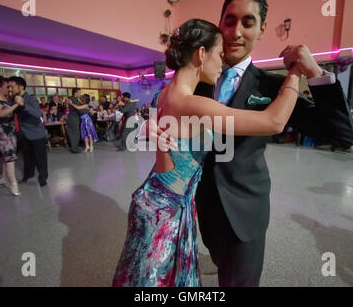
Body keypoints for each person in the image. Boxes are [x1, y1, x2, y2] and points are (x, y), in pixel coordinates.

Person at [145, 0, 353, 287]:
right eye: (229, 21)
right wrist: (153, 127)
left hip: (244, 212)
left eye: (248, 22)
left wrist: (313, 71)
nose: (235, 32)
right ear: (219, 23)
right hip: (199, 209)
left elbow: (342, 135)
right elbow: (169, 118)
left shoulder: (273, 88)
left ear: (262, 28)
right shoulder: (199, 79)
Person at [113, 17, 303, 287]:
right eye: (219, 54)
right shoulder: (195, 104)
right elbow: (274, 122)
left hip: (155, 198)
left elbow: (164, 160)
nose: (222, 62)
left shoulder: (163, 95)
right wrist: (295, 72)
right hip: (167, 211)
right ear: (202, 54)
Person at [8, 76, 48, 187]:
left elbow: (37, 114)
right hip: (23, 134)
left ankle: (43, 178)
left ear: (20, 87)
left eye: (12, 86)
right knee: (27, 157)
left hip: (36, 134)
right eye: (8, 86)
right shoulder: (13, 99)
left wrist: (24, 104)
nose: (10, 89)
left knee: (40, 159)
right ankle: (27, 176)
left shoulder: (31, 99)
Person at [0, 76, 21, 196]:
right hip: (1, 130)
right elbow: (1, 113)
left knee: (8, 155)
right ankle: (13, 185)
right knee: (10, 157)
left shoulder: (6, 98)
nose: (9, 88)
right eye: (6, 86)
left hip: (10, 129)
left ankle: (4, 179)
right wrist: (16, 105)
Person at [66, 88, 82, 153]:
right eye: (79, 92)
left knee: (72, 133)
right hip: (74, 117)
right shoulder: (74, 100)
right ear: (76, 93)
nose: (80, 94)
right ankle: (74, 149)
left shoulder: (72, 99)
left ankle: (73, 147)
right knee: (75, 133)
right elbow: (79, 109)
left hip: (71, 117)